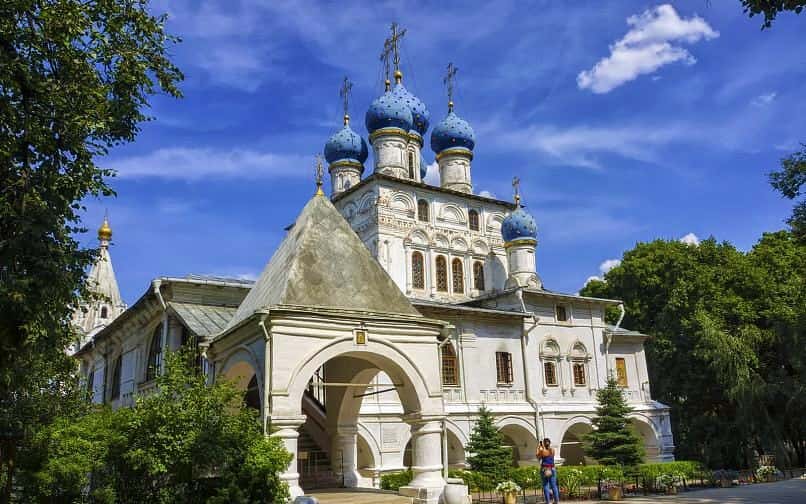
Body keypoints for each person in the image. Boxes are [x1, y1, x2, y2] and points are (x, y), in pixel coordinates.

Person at [537, 438, 559, 504]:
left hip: (545, 469)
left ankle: (547, 502)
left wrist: (538, 449)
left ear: (543, 443)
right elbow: (550, 455)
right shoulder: (552, 450)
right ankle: (556, 501)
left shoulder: (542, 451)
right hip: (552, 468)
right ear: (550, 443)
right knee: (554, 486)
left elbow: (538, 457)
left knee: (546, 485)